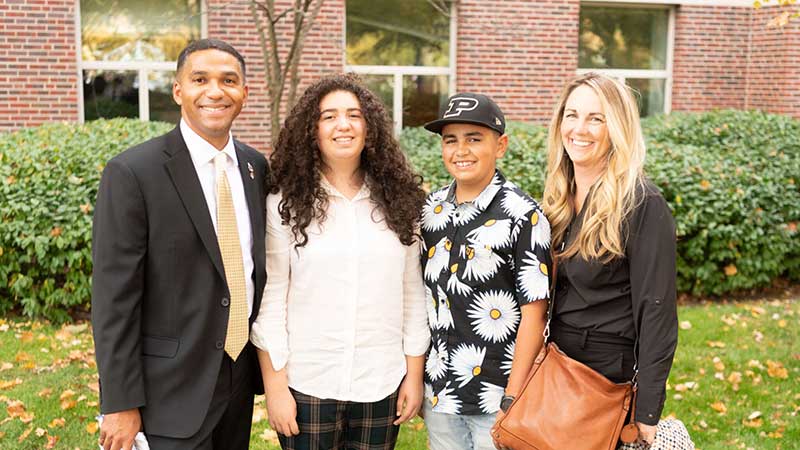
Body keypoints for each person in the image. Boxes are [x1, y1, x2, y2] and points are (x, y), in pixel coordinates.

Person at [91, 38, 268, 450]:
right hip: (165, 392)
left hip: (238, 381)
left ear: (244, 92)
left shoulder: (255, 168)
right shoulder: (133, 172)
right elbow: (113, 299)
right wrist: (119, 402)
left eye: (229, 80)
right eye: (200, 79)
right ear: (178, 90)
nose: (215, 91)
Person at [250, 73, 430, 450]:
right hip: (308, 382)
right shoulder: (284, 204)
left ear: (371, 128)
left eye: (354, 115)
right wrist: (275, 386)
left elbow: (412, 293)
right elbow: (272, 300)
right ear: (311, 130)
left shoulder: (402, 203)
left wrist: (413, 375)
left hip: (380, 380)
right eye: (328, 116)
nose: (343, 125)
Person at [542, 72, 678, 446]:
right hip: (554, 366)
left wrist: (647, 410)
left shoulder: (642, 204)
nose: (579, 128)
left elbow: (657, 312)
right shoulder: (556, 201)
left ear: (616, 127)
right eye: (571, 115)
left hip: (606, 377)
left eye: (595, 118)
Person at [419, 93, 551, 450]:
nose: (461, 150)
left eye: (474, 139)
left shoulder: (524, 215)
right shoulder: (430, 211)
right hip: (440, 392)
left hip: (496, 395)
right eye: (451, 140)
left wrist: (513, 395)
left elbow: (535, 312)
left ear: (501, 145)